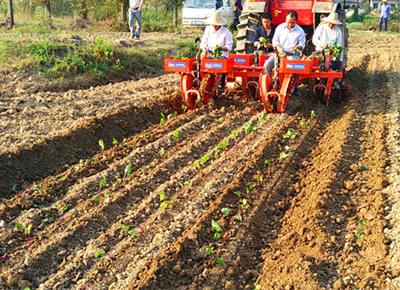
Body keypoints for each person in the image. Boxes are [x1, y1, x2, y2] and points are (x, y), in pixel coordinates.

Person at [264, 11, 306, 76]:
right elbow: (275, 41)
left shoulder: (300, 31)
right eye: (288, 22)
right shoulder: (279, 28)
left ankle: (293, 84)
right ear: (285, 20)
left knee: (291, 69)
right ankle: (270, 82)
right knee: (267, 65)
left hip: (293, 54)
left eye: (292, 23)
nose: (290, 25)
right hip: (280, 53)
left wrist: (298, 47)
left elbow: (302, 44)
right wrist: (278, 48)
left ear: (296, 21)